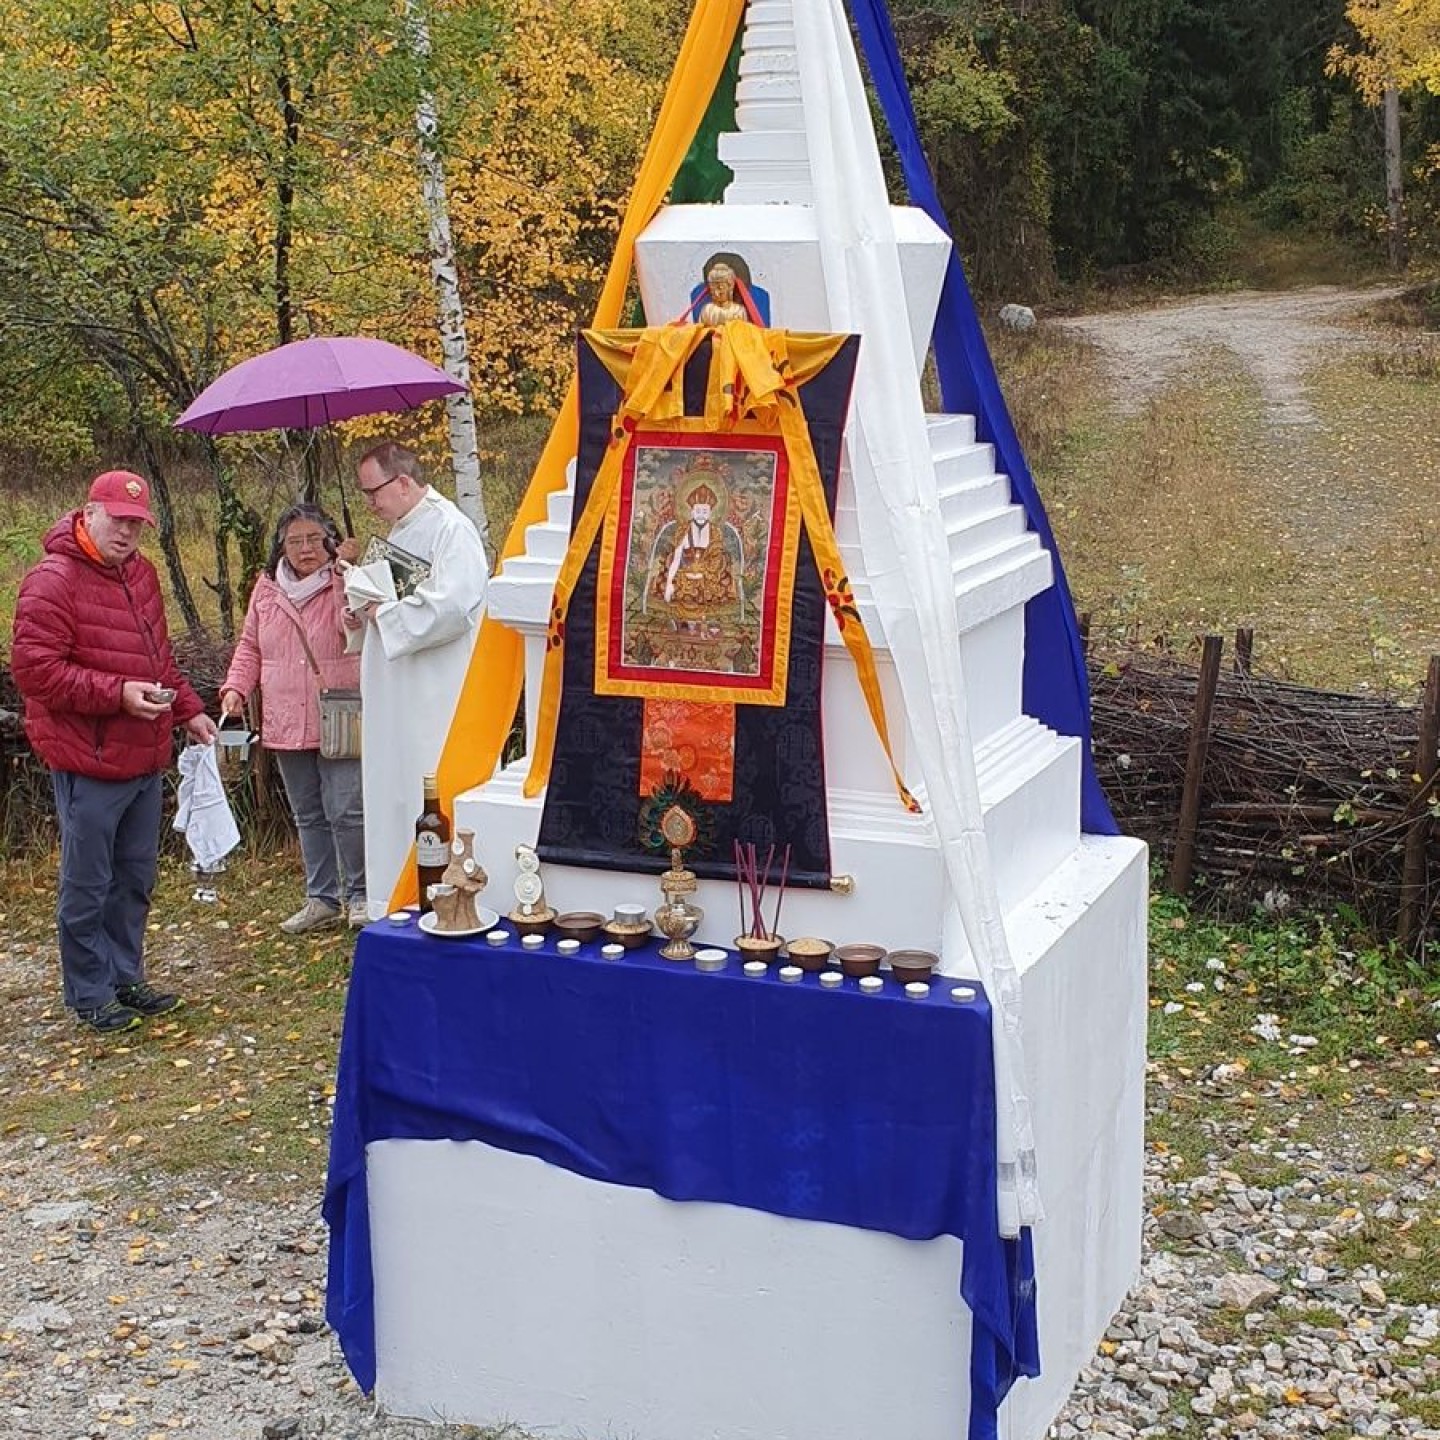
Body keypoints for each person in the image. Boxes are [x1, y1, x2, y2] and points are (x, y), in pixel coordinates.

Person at [11, 470, 218, 1034]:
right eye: (118, 519)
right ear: (89, 512)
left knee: (134, 878)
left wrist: (189, 710)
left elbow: (158, 659)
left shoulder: (141, 573)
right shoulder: (51, 581)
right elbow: (35, 673)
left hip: (143, 755)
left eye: (136, 523)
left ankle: (126, 977)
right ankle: (89, 992)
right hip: (88, 758)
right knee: (88, 882)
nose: (127, 532)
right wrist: (118, 695)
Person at [345, 442, 488, 916]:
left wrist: (384, 612)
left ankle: (439, 897)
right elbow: (382, 609)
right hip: (392, 691)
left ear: (404, 482)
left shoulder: (452, 530)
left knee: (424, 788)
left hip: (433, 692)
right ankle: (393, 895)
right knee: (391, 789)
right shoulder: (397, 534)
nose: (370, 503)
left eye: (374, 491)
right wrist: (358, 613)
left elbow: (454, 607)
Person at [220, 503, 366, 934]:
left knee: (347, 809)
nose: (305, 549)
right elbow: (250, 647)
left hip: (339, 711)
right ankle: (321, 899)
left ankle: (359, 895)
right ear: (280, 546)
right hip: (285, 719)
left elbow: (355, 629)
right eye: (295, 540)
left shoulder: (347, 579)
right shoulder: (266, 590)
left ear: (330, 539)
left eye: (314, 539)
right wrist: (235, 689)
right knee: (307, 813)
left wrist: (349, 574)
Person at [697, 261, 749, 326]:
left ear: (730, 287)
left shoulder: (738, 310)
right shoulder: (707, 310)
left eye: (720, 288)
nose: (716, 293)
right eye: (713, 290)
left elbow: (744, 333)